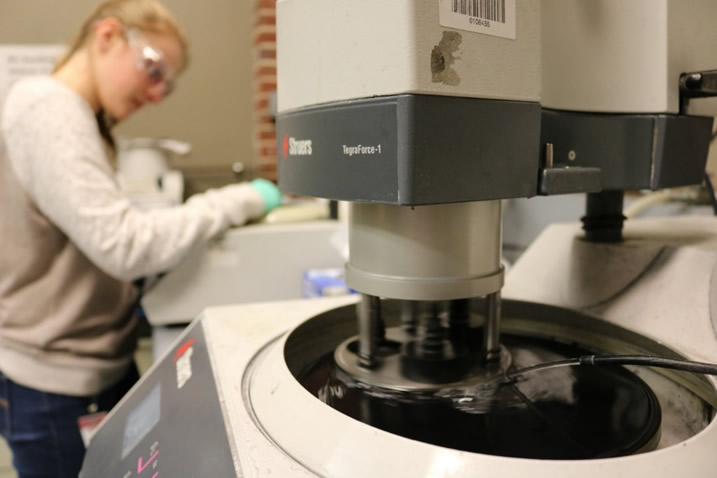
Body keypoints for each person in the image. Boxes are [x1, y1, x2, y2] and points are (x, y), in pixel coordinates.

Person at [0, 1, 281, 476]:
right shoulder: (48, 109)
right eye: (152, 69)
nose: (156, 94)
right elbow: (124, 245)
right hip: (57, 384)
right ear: (107, 35)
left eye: (166, 84)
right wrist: (237, 202)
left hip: (91, 365)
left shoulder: (76, 115)